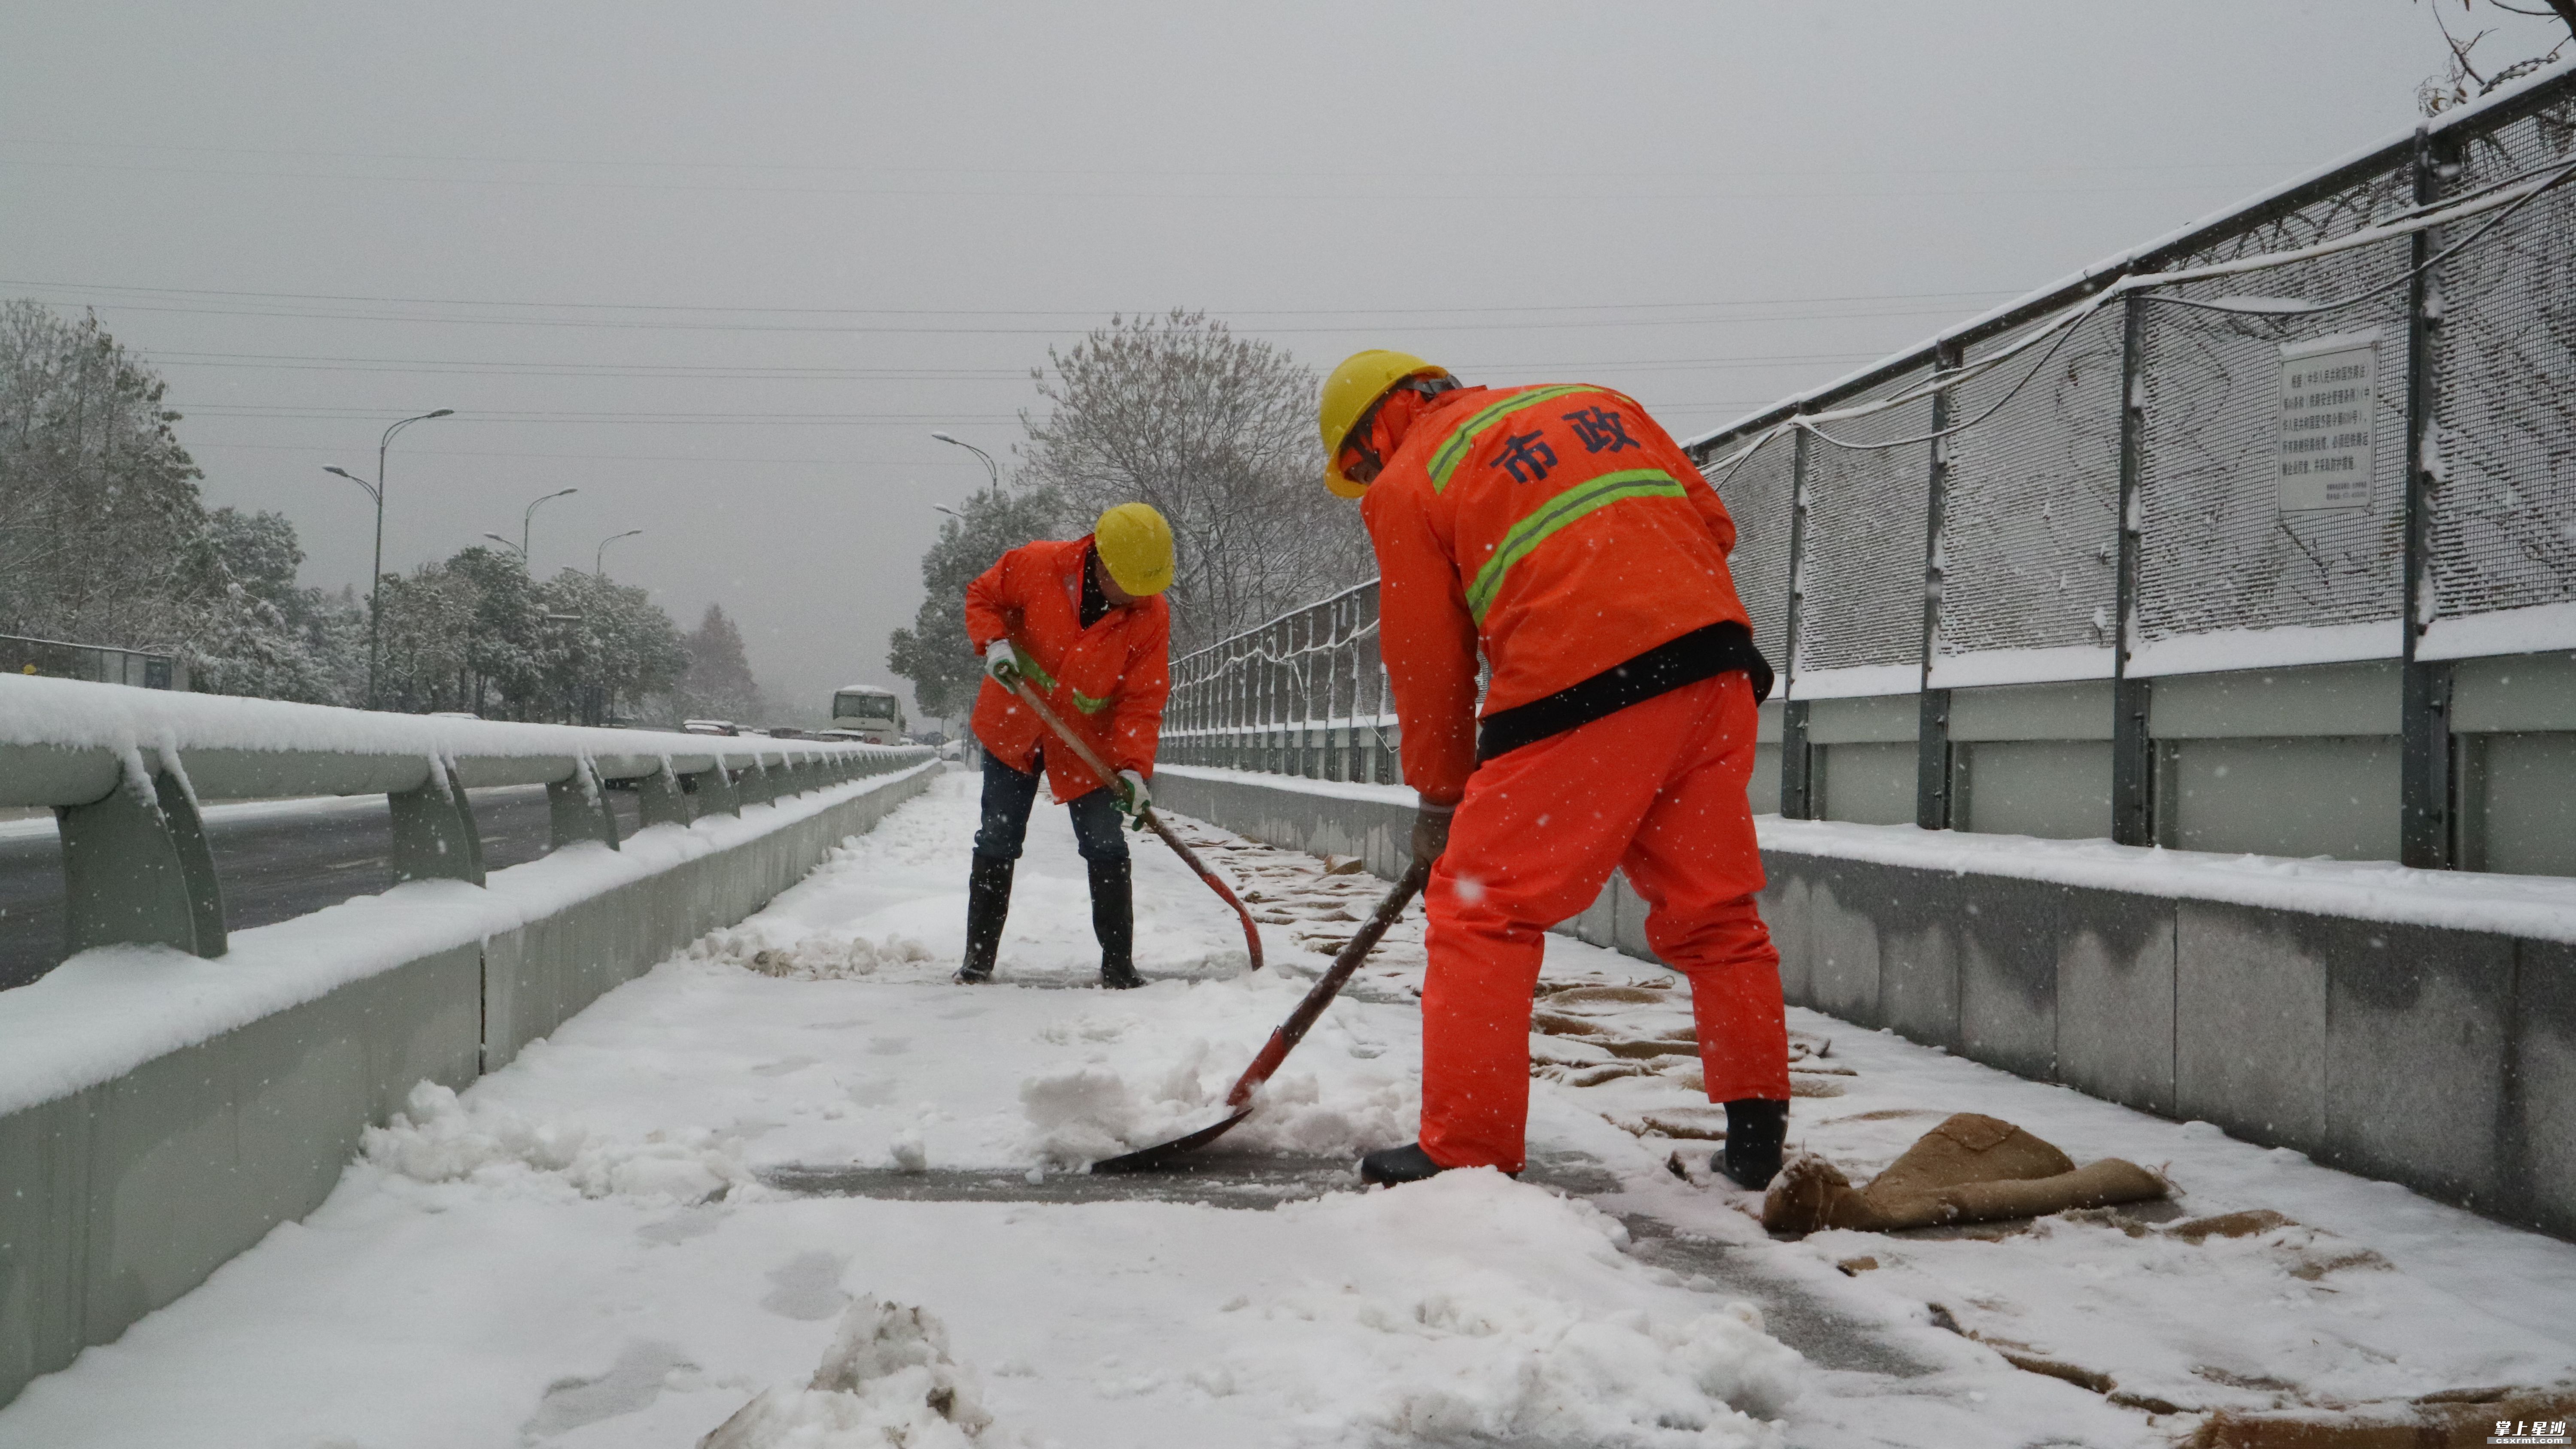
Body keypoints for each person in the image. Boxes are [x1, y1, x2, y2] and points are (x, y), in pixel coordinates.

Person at [1317, 350, 1793, 1191]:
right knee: (1714, 907)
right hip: (1712, 668)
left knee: (1481, 908)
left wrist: (1440, 795)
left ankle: (1466, 1147)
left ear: (1377, 429)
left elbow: (1428, 660)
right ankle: (1756, 1138)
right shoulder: (1596, 400)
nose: (1366, 485)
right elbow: (1713, 526)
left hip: (1585, 683)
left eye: (1358, 469)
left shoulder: (1411, 478)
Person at [956, 503, 1175, 989]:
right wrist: (994, 642)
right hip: (1014, 723)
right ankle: (977, 961)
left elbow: (1143, 700)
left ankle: (1119, 967)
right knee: (997, 839)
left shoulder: (1150, 613)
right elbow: (982, 596)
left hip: (1086, 744)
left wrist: (1134, 768)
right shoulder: (1038, 564)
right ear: (1102, 562)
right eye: (1130, 585)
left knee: (1106, 843)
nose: (1137, 598)